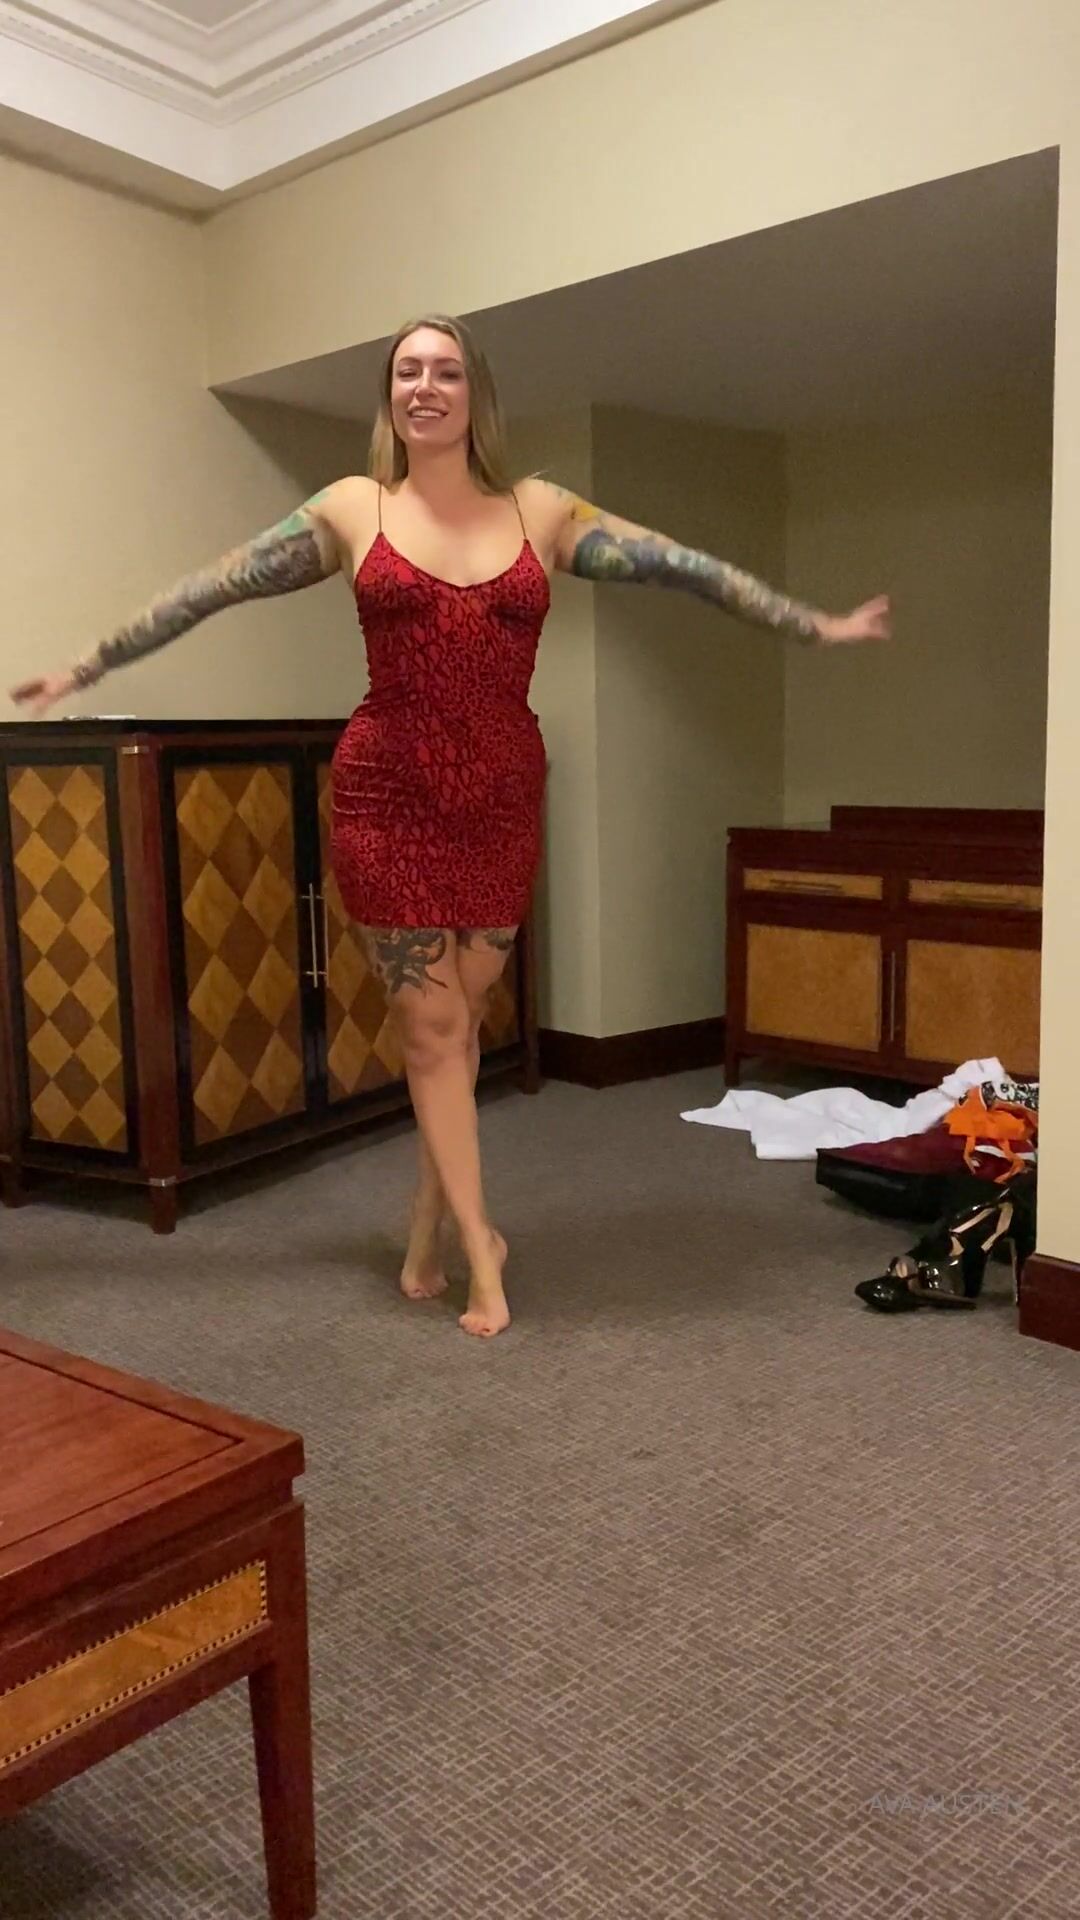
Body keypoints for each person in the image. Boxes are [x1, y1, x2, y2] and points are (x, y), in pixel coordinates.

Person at [11, 314, 890, 1338]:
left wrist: (811, 623)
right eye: (406, 372)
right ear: (389, 396)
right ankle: (483, 1249)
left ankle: (426, 1227)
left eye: (446, 371)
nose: (425, 386)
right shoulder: (354, 508)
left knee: (457, 1030)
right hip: (388, 795)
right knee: (431, 1030)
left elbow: (683, 566)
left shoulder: (541, 510)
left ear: (477, 395)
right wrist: (90, 664)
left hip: (500, 798)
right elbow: (211, 587)